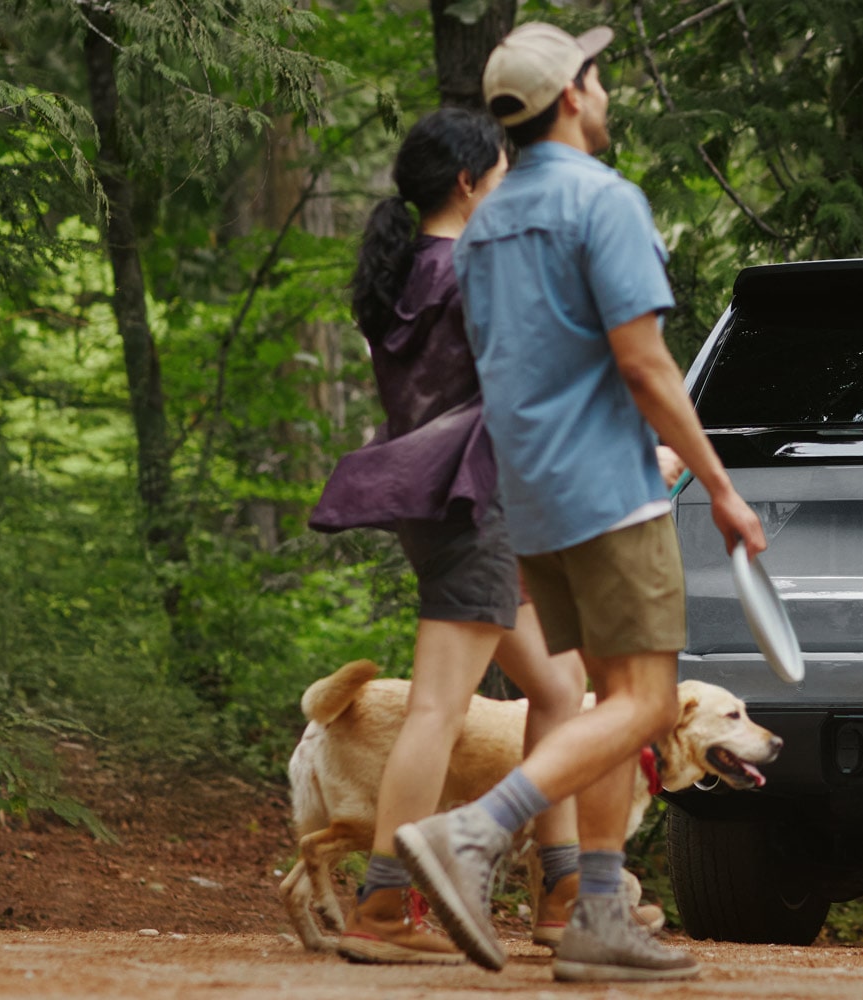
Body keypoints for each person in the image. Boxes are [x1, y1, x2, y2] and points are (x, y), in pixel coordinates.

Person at [393, 22, 766, 984]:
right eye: (596, 78)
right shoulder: (603, 200)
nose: (604, 93)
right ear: (572, 96)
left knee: (608, 701)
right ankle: (473, 833)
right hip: (608, 486)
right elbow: (643, 362)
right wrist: (719, 485)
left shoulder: (491, 219)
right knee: (644, 703)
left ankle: (599, 912)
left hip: (528, 494)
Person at [317, 106, 591, 964]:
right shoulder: (471, 272)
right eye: (503, 173)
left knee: (559, 691)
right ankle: (386, 908)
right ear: (469, 183)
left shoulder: (405, 275)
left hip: (443, 508)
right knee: (437, 708)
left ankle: (563, 891)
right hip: (475, 508)